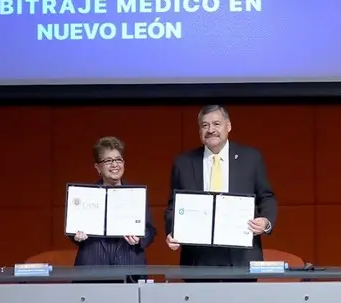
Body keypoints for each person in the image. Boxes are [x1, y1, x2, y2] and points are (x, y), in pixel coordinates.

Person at [165, 105, 277, 267]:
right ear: (200, 131)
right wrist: (173, 231)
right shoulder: (183, 163)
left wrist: (266, 221)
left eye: (216, 124)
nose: (211, 130)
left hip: (241, 257)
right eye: (205, 125)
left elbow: (267, 197)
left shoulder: (250, 158)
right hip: (198, 259)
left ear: (228, 126)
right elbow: (173, 207)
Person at [70, 136, 156, 270]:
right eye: (108, 161)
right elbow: (73, 230)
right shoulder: (85, 196)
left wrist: (139, 238)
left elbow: (150, 231)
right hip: (92, 269)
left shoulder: (136, 195)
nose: (114, 165)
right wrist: (76, 235)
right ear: (98, 167)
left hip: (130, 269)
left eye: (118, 159)